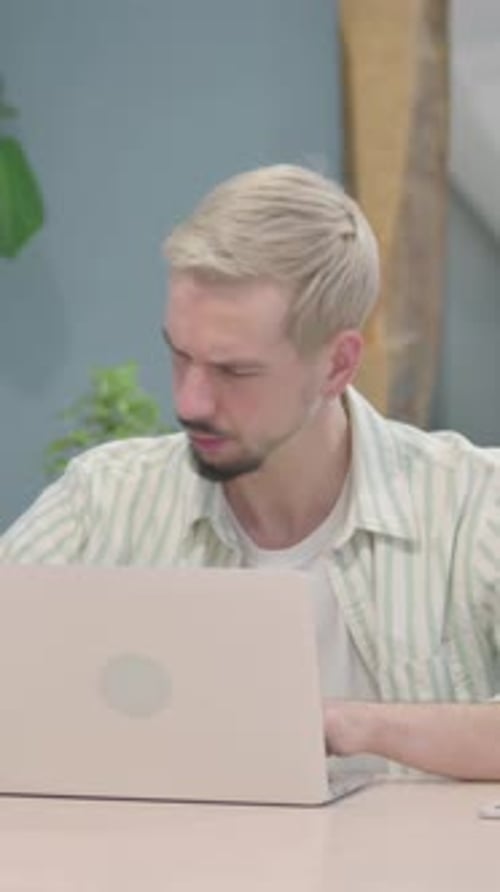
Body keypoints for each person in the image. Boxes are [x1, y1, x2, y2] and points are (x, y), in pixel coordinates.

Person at [1, 164, 499, 779]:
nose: (190, 403)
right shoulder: (105, 499)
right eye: (179, 356)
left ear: (338, 365)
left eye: (236, 372)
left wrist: (354, 724)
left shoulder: (475, 505)